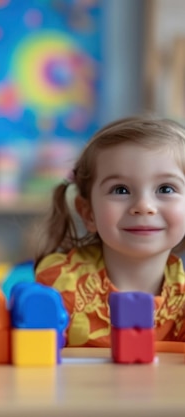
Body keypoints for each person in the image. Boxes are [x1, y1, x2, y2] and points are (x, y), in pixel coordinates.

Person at [34, 115, 185, 347]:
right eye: (121, 190)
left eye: (166, 188)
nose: (144, 206)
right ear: (88, 213)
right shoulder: (59, 284)